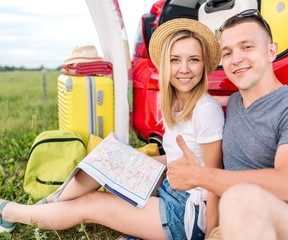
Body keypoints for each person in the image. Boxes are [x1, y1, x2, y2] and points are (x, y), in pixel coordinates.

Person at [0, 18, 224, 239]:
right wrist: (125, 160)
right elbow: (179, 157)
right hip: (171, 189)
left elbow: (213, 182)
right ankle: (50, 203)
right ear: (166, 64)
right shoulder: (175, 103)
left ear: (204, 65)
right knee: (109, 157)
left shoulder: (205, 110)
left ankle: (10, 212)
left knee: (90, 204)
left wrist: (210, 234)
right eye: (175, 60)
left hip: (187, 214)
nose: (184, 69)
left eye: (193, 59)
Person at [167, 9, 288, 240]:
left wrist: (199, 176)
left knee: (241, 198)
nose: (236, 58)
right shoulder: (234, 103)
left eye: (246, 47)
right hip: (231, 230)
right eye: (227, 52)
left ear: (271, 51)